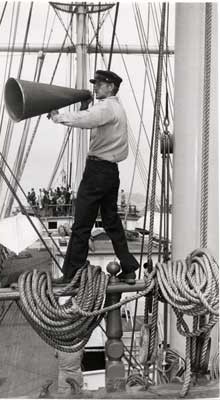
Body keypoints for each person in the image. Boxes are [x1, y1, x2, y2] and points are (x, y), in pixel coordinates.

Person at [48, 69, 139, 284]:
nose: (95, 86)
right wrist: (84, 107)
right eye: (95, 83)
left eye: (99, 83)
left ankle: (72, 274)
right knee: (112, 222)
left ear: (110, 87)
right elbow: (92, 119)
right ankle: (128, 267)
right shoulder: (116, 108)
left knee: (81, 224)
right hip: (110, 172)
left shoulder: (106, 107)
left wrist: (58, 117)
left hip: (96, 172)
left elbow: (88, 120)